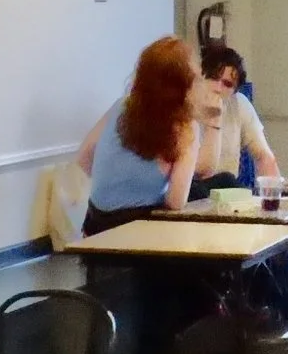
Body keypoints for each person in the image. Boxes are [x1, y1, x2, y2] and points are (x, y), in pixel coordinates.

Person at [74, 36, 200, 232]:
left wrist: (118, 182)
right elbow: (175, 201)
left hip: (95, 226)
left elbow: (83, 158)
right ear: (184, 84)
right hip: (140, 231)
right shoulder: (184, 128)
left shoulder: (120, 106)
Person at [192, 43, 279, 195]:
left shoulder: (239, 104)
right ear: (201, 76)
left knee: (229, 182)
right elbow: (202, 170)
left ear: (235, 90)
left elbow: (264, 156)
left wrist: (273, 196)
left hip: (226, 194)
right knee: (224, 180)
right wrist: (214, 118)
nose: (218, 88)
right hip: (191, 188)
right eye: (213, 78)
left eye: (227, 84)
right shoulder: (185, 105)